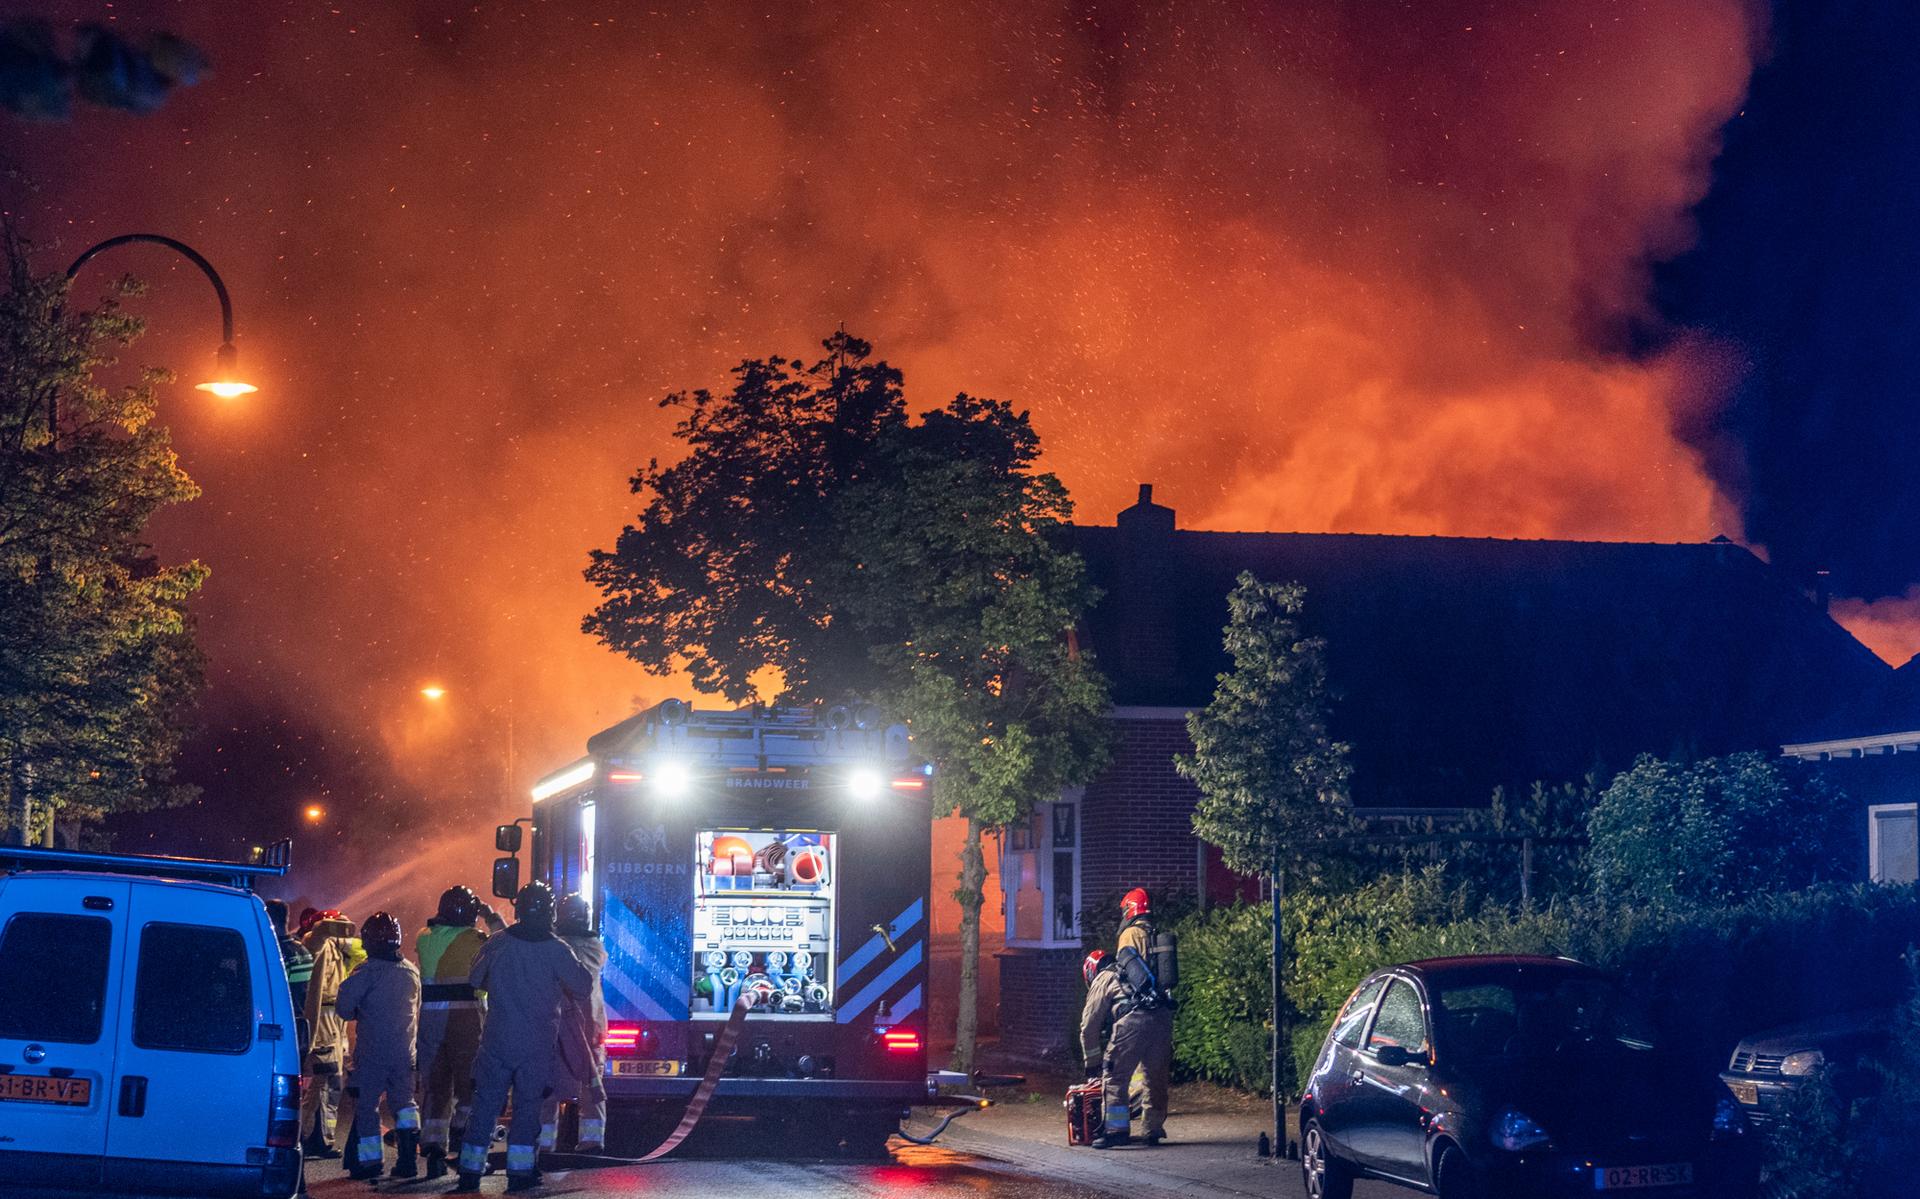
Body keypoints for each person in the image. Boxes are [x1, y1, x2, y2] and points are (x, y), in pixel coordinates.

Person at [456, 881, 593, 1194]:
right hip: (536, 1045)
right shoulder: (558, 949)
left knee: (485, 1108)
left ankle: (468, 1172)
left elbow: (475, 978)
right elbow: (583, 986)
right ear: (550, 913)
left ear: (517, 910)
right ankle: (520, 1175)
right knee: (528, 1111)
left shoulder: (498, 942)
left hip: (496, 1041)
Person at [414, 885, 499, 1179]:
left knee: (436, 1090)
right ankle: (465, 1149)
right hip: (466, 1023)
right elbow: (504, 941)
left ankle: (434, 1151)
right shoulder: (476, 939)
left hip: (429, 1024)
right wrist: (490, 916)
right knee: (469, 1090)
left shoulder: (423, 938)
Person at [335, 911, 422, 1180]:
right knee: (405, 1105)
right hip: (404, 1053)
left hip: (372, 1053)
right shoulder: (411, 971)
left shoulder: (366, 972)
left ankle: (372, 1163)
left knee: (367, 1108)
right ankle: (408, 1160)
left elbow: (344, 1009)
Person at [1081, 946, 1172, 1147]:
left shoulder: (1104, 978)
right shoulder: (1136, 974)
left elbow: (1089, 1026)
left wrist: (1092, 1064)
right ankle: (1152, 1129)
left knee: (1114, 1077)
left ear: (1090, 971)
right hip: (1162, 1019)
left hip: (1133, 1022)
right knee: (1154, 1078)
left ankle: (1116, 1131)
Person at [540, 891, 608, 1155]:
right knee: (591, 1084)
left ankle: (544, 1145)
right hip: (591, 1027)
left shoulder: (553, 947)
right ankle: (592, 1142)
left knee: (547, 1086)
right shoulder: (596, 948)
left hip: (557, 1026)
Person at [298, 910, 360, 1159]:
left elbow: (360, 951)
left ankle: (321, 1138)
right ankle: (305, 1136)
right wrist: (329, 927)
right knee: (319, 1086)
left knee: (332, 1085)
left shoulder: (337, 950)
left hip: (335, 1025)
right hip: (322, 1027)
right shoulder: (316, 942)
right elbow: (319, 936)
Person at [265, 899, 315, 1018]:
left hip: (280, 1017)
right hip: (298, 1018)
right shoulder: (303, 950)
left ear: (272, 922)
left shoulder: (278, 953)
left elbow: (273, 992)